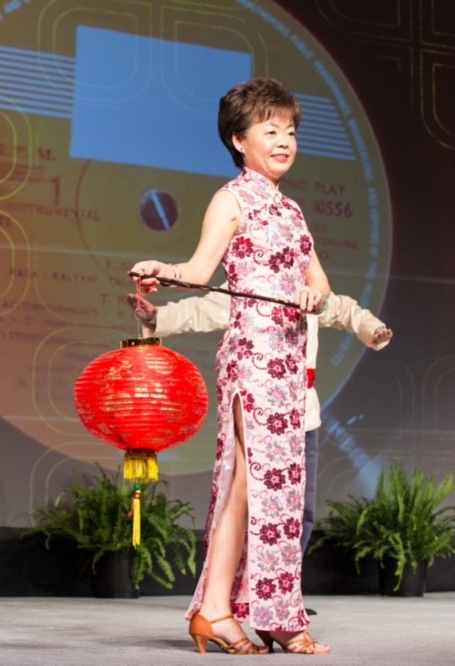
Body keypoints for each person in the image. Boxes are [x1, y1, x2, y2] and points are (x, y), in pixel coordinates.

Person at [131, 77, 330, 655]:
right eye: (270, 130)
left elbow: (319, 283)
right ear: (239, 140)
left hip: (288, 364)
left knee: (263, 488)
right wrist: (163, 270)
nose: (284, 140)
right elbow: (199, 270)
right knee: (256, 485)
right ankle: (257, 613)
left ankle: (226, 610)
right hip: (253, 357)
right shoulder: (232, 199)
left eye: (290, 130)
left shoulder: (291, 210)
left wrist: (313, 294)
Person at [127, 289, 393, 557]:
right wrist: (157, 317)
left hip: (302, 414)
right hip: (259, 414)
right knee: (255, 504)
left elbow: (343, 309)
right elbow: (201, 310)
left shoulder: (305, 291)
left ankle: (288, 579)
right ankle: (250, 578)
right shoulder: (251, 287)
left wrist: (372, 329)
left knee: (300, 508)